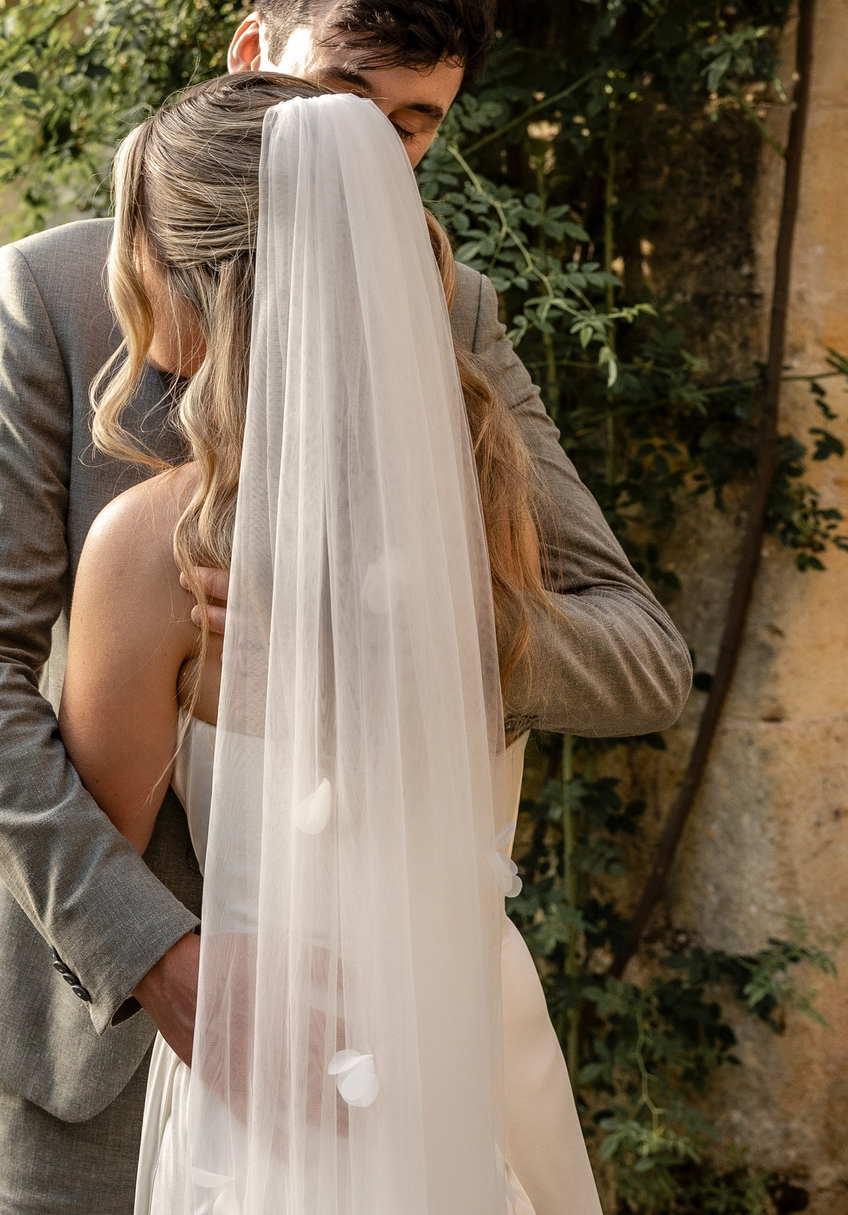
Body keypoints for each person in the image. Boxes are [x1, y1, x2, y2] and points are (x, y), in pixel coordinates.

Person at [0, 0, 690, 1215]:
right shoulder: (56, 296)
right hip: (96, 1023)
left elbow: (640, 659)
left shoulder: (450, 317)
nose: (368, 164)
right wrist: (165, 956)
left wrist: (378, 624)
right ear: (248, 51)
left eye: (410, 130)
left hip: (373, 1025)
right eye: (332, 99)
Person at [67, 76, 597, 1212]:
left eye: (137, 240)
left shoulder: (154, 546)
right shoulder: (474, 495)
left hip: (282, 1047)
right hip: (464, 1018)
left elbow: (100, 841)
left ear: (194, 273)